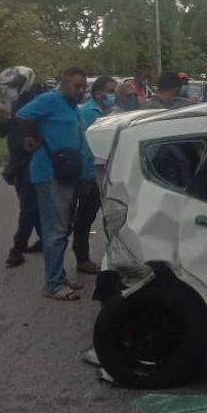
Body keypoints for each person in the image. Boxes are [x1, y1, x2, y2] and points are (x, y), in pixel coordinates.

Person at [16, 67, 91, 301]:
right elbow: (22, 116)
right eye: (77, 86)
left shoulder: (71, 106)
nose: (81, 90)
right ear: (64, 83)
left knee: (61, 229)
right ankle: (53, 284)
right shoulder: (51, 99)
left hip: (67, 175)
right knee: (55, 231)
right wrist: (36, 139)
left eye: (83, 86)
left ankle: (58, 275)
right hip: (50, 175)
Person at [0, 66, 44, 267]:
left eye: (14, 85)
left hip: (32, 160)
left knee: (28, 206)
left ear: (25, 83)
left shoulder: (37, 100)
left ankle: (17, 249)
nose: (11, 89)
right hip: (18, 162)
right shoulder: (11, 102)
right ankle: (43, 239)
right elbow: (1, 132)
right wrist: (0, 118)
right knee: (32, 205)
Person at [72, 75, 117, 274]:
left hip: (106, 173)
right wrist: (87, 177)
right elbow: (86, 147)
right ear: (99, 93)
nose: (112, 96)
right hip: (92, 174)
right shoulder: (89, 112)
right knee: (85, 218)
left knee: (110, 217)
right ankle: (82, 258)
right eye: (110, 91)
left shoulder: (109, 112)